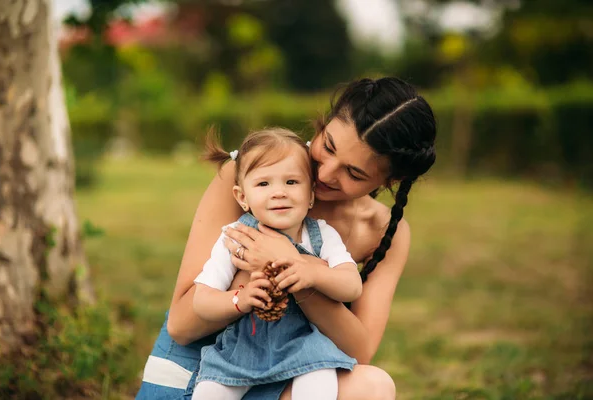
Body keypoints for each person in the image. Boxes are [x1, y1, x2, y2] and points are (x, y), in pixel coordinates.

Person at [136, 77, 437, 400]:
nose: (324, 174)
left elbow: (359, 350)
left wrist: (296, 268)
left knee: (374, 387)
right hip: (206, 371)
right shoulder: (254, 175)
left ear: (392, 180)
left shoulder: (381, 231)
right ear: (324, 122)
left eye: (353, 173)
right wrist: (247, 286)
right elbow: (181, 326)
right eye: (329, 146)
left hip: (291, 369)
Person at [191, 127, 362, 400]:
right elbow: (201, 301)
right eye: (263, 184)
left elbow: (352, 286)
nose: (279, 192)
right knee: (209, 393)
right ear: (242, 197)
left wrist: (312, 273)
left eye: (292, 182)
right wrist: (239, 299)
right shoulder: (236, 236)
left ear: (311, 195)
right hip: (242, 349)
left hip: (303, 345)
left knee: (320, 380)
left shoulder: (321, 235)